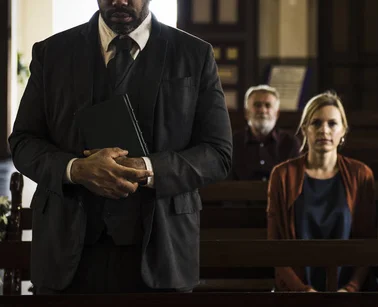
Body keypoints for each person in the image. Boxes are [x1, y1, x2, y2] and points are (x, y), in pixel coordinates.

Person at [8, 0, 232, 294]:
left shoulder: (194, 54)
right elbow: (23, 142)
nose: (120, 1)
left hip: (163, 250)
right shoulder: (52, 52)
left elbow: (218, 153)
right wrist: (75, 169)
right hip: (65, 251)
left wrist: (147, 168)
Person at [267, 92, 376, 292]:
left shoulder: (360, 174)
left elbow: (368, 242)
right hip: (297, 289)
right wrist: (302, 291)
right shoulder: (282, 175)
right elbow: (275, 245)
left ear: (343, 130)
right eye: (316, 123)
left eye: (332, 124)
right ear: (304, 129)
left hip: (349, 290)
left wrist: (350, 289)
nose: (323, 130)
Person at [230, 85, 301, 181]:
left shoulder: (290, 142)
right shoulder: (232, 143)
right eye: (257, 105)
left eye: (268, 105)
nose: (263, 110)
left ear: (277, 113)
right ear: (247, 113)